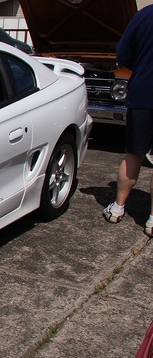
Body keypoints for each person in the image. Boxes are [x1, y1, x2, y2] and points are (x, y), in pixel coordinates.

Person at [103, 5, 153, 237]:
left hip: (143, 93)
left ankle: (118, 208)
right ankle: (152, 221)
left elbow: (123, 54)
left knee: (134, 153)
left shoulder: (143, 15)